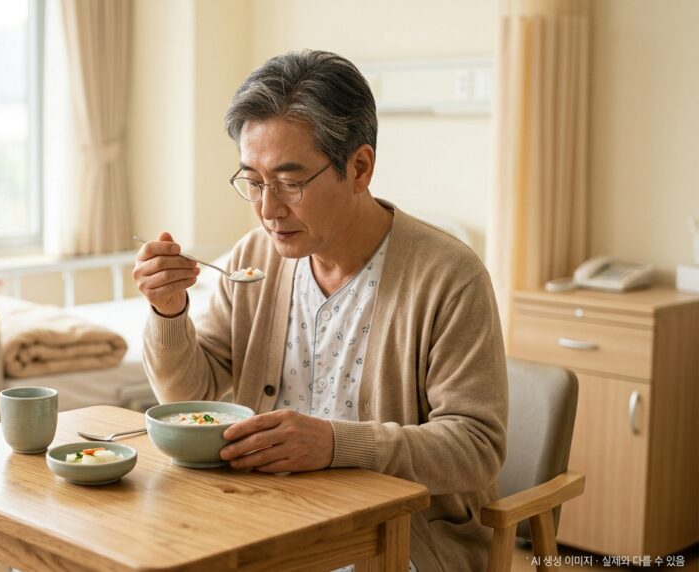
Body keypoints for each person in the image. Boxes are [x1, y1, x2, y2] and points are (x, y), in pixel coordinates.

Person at [133, 50, 507, 572]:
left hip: (394, 541)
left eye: (290, 182)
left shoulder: (448, 276)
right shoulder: (253, 259)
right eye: (254, 182)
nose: (268, 209)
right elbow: (187, 396)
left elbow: (476, 446)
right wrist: (169, 313)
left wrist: (334, 444)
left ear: (359, 167)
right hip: (261, 520)